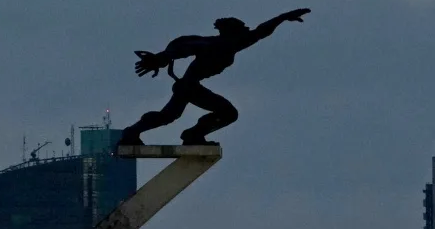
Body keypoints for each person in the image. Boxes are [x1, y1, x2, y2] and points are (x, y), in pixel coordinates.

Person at [120, 10, 312, 146]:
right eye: (242, 30)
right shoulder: (215, 44)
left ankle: (142, 132)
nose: (247, 33)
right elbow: (184, 47)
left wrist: (283, 17)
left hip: (189, 86)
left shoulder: (231, 45)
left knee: (169, 115)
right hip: (188, 86)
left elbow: (261, 32)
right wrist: (161, 58)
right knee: (226, 113)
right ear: (232, 32)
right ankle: (190, 135)